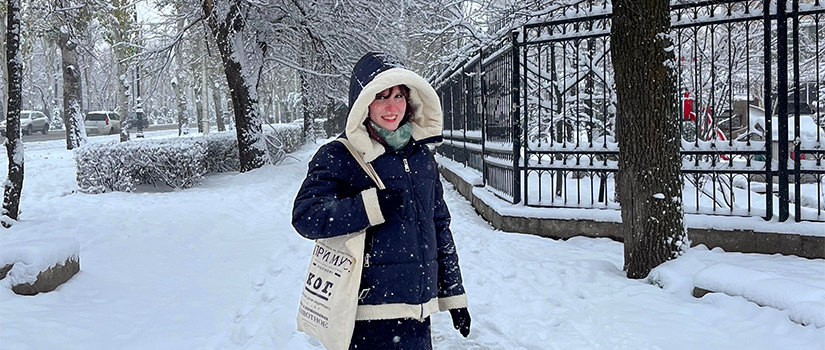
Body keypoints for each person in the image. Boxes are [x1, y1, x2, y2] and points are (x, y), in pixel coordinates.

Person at [292, 52, 471, 349]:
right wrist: (370, 207)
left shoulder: (421, 158)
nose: (392, 107)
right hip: (367, 315)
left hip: (417, 312)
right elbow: (306, 216)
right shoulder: (340, 155)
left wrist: (453, 294)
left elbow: (439, 226)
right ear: (364, 103)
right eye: (381, 97)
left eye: (399, 96)